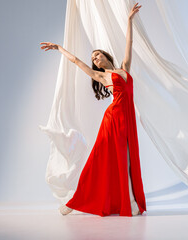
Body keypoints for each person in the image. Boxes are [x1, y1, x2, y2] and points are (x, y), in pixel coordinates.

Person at [40, 3, 146, 217]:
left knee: (126, 160)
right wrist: (59, 48)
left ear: (106, 56)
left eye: (97, 55)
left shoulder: (123, 68)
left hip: (128, 119)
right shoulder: (101, 76)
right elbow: (78, 62)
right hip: (113, 119)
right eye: (94, 59)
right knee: (99, 158)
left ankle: (130, 202)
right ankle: (74, 202)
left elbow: (129, 43)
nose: (95, 59)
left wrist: (129, 21)